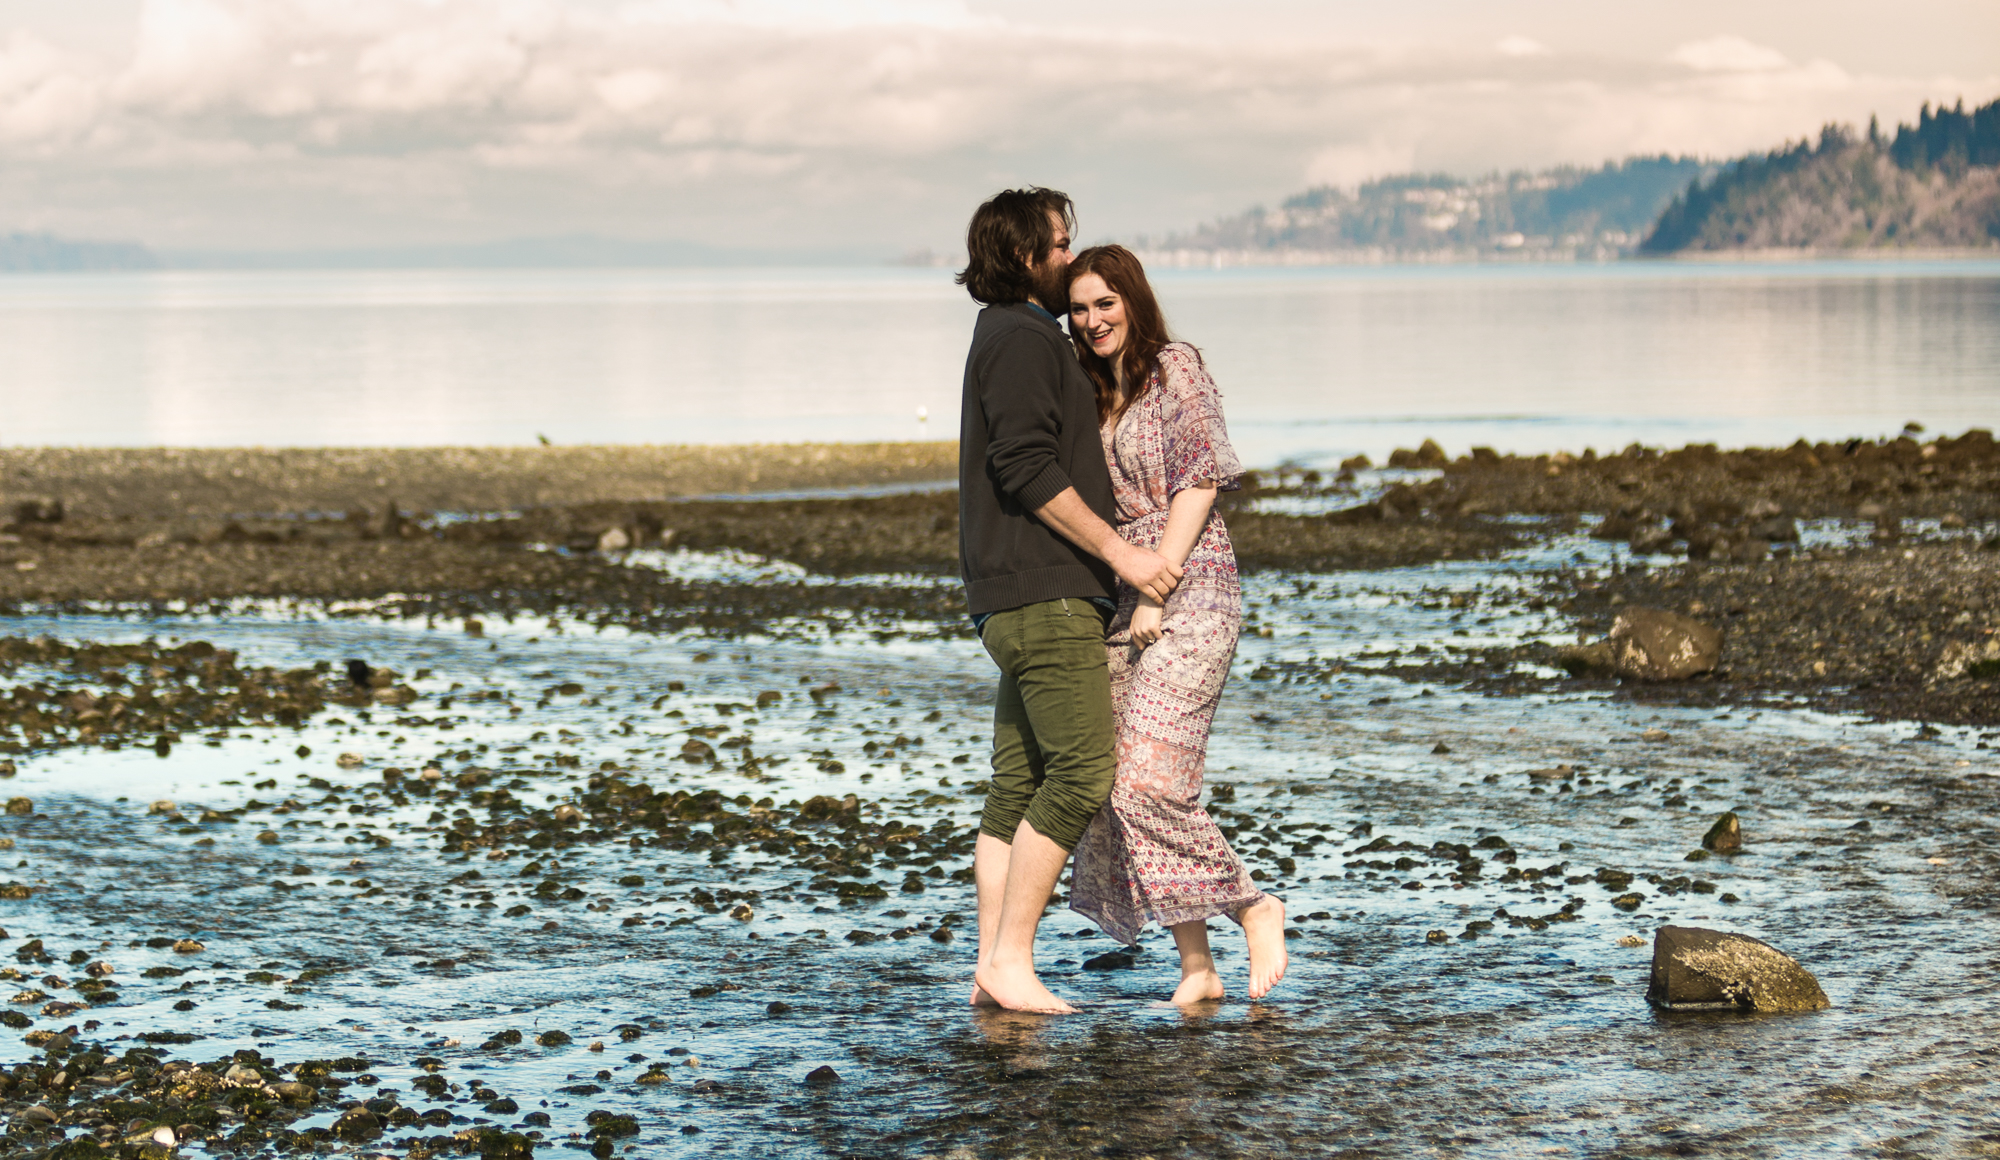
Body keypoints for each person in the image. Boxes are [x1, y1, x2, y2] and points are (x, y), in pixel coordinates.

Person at [955, 190, 1183, 1015]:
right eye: (1057, 246)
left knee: (1017, 783)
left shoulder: (1007, 335)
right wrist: (1121, 552)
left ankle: (990, 967)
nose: (1066, 258)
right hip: (1045, 593)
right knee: (1084, 769)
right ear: (1023, 256)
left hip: (1011, 595)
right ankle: (1012, 959)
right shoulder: (1019, 338)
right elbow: (1023, 465)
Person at [1062, 244, 1289, 1004]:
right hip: (1130, 588)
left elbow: (1201, 474)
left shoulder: (1175, 366)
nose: (1092, 319)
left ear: (1132, 297)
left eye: (1104, 302)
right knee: (1118, 780)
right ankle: (1198, 966)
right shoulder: (1096, 390)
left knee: (1148, 785)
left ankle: (1254, 905)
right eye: (1080, 308)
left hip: (1192, 584)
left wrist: (1159, 582)